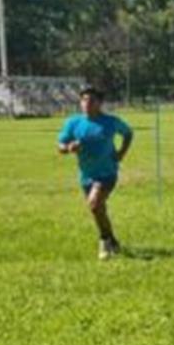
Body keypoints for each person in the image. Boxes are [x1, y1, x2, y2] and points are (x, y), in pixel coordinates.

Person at [57, 87, 133, 260]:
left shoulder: (111, 122)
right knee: (99, 210)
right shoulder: (73, 123)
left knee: (94, 204)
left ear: (100, 103)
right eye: (84, 100)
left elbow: (128, 133)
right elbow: (60, 146)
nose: (87, 104)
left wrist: (121, 153)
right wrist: (68, 148)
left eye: (91, 100)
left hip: (107, 173)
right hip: (86, 176)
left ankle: (104, 241)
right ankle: (113, 241)